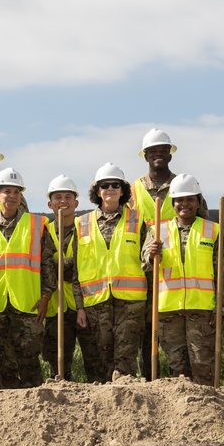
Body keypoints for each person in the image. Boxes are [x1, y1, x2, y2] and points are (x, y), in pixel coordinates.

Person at [130, 128, 209, 379]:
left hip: (177, 272)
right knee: (145, 334)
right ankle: (150, 384)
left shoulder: (184, 185)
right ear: (145, 156)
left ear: (170, 155)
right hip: (141, 267)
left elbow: (201, 225)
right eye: (153, 152)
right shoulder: (132, 191)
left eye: (163, 151)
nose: (158, 155)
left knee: (178, 341)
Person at [0, 167, 46, 388]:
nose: (11, 196)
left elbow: (48, 264)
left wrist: (46, 296)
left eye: (16, 191)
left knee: (29, 362)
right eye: (6, 191)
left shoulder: (37, 225)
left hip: (27, 305)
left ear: (21, 196)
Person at [142, 174, 221, 386]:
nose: (184, 204)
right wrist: (151, 254)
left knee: (203, 366)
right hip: (168, 311)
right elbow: (144, 265)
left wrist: (221, 308)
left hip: (202, 310)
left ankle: (208, 411)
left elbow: (223, 275)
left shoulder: (212, 230)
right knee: (177, 369)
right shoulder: (158, 230)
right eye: (180, 200)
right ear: (173, 203)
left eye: (190, 199)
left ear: (197, 202)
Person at [75, 163, 148, 380]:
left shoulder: (138, 220)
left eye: (115, 184)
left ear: (123, 190)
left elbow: (148, 261)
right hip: (96, 303)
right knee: (103, 357)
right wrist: (79, 307)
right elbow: (76, 272)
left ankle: (127, 404)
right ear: (97, 191)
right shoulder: (82, 223)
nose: (110, 189)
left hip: (131, 303)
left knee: (125, 359)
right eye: (104, 185)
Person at [35, 175, 104, 382]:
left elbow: (89, 263)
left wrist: (56, 266)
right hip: (55, 308)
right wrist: (67, 264)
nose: (63, 201)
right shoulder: (41, 232)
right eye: (57, 197)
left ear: (76, 202)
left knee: (95, 362)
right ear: (50, 203)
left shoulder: (88, 228)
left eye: (68, 196)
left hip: (85, 306)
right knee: (58, 367)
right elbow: (42, 267)